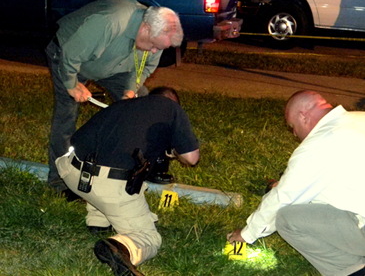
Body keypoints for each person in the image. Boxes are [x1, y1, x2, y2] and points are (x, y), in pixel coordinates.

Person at [55, 86, 199, 276]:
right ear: (173, 102)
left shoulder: (123, 105)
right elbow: (192, 158)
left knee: (108, 159)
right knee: (150, 238)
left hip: (71, 171)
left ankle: (97, 221)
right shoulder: (173, 110)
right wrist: (176, 151)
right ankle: (121, 247)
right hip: (108, 188)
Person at [45, 0, 184, 193]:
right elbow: (70, 53)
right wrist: (72, 84)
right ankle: (59, 180)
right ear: (145, 29)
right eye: (153, 46)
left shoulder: (156, 38)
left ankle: (145, 165)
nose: (154, 51)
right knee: (66, 113)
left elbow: (142, 69)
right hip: (70, 56)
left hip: (113, 65)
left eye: (159, 49)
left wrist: (130, 89)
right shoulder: (111, 21)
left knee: (143, 103)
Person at [227, 90, 365, 276]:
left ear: (303, 116)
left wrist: (245, 235)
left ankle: (352, 270)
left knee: (287, 218)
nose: (294, 133)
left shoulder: (320, 142)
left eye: (292, 126)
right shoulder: (359, 119)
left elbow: (283, 198)